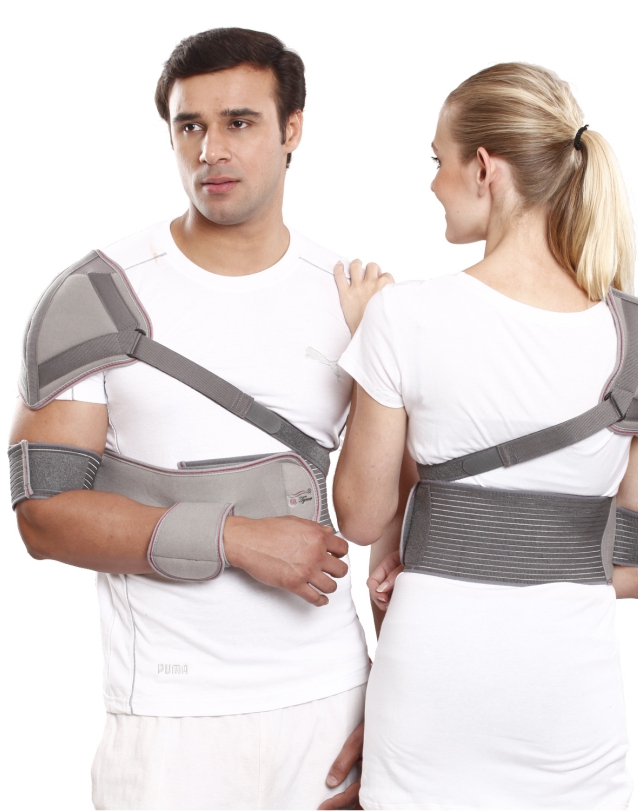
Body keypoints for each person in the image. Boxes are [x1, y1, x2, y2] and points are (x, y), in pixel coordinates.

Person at [9, 27, 390, 811]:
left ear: (292, 129)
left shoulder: (352, 297)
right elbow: (44, 517)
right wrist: (236, 538)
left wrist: (398, 701)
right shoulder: (102, 297)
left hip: (333, 702)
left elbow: (397, 524)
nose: (211, 150)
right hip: (170, 716)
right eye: (190, 126)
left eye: (239, 122)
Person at [334, 62, 638, 810]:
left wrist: (366, 340)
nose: (433, 182)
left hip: (431, 692)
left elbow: (362, 517)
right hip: (569, 709)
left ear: (484, 168)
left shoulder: (402, 317)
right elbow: (636, 572)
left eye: (438, 159)